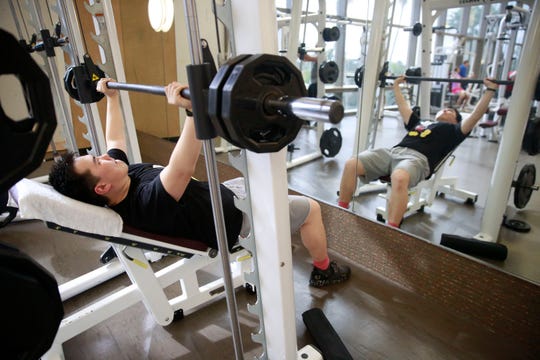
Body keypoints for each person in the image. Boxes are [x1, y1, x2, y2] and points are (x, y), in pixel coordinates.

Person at [49, 78, 350, 288]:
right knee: (310, 208)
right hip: (236, 224)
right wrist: (192, 111)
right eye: (97, 162)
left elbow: (115, 138)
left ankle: (278, 234)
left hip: (222, 197)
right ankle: (323, 270)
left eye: (98, 155)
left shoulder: (120, 177)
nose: (104, 155)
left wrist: (111, 98)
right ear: (101, 188)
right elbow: (181, 169)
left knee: (267, 184)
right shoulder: (145, 203)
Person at [337, 75, 499, 228]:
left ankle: (391, 230)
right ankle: (341, 210)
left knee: (399, 178)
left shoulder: (454, 131)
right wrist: (396, 86)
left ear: (457, 120)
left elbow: (475, 116)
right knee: (352, 164)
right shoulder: (420, 123)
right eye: (445, 109)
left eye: (451, 112)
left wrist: (490, 91)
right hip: (393, 152)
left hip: (417, 160)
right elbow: (403, 107)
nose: (446, 110)